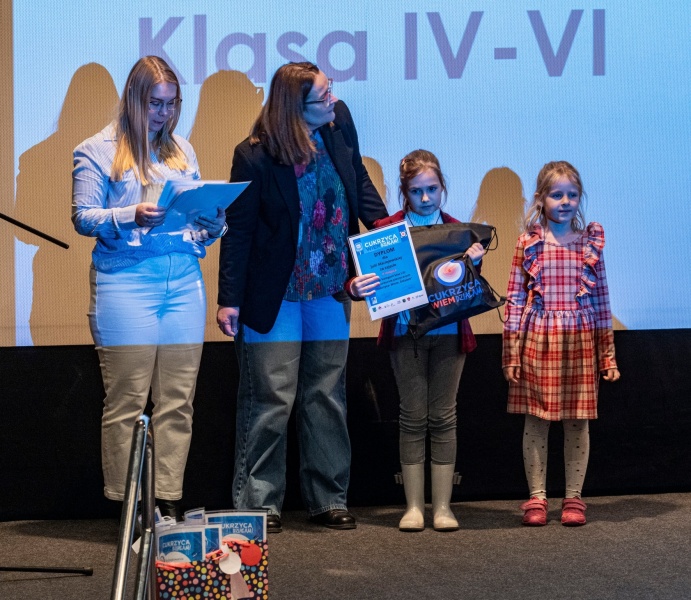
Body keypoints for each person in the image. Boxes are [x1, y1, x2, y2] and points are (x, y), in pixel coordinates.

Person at [216, 62, 387, 533]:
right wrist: (229, 299)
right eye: (323, 96)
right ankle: (259, 503)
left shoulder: (338, 124)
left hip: (330, 288)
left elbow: (358, 180)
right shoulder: (254, 155)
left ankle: (328, 497)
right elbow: (238, 231)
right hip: (276, 295)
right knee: (270, 399)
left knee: (325, 395)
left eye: (330, 92)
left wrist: (386, 230)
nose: (333, 100)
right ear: (295, 107)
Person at [72, 56, 226, 519]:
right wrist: (130, 214)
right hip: (126, 283)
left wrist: (213, 223)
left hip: (183, 281)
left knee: (177, 401)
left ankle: (167, 500)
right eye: (155, 103)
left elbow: (196, 223)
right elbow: (83, 216)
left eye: (172, 103)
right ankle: (130, 508)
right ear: (134, 99)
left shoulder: (182, 150)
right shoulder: (96, 149)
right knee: (127, 400)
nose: (164, 113)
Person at [349, 150, 485, 532]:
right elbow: (361, 277)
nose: (425, 198)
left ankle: (442, 507)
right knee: (412, 416)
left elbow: (468, 287)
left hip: (448, 334)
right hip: (405, 333)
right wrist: (355, 286)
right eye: (416, 191)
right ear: (403, 192)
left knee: (443, 416)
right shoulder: (386, 231)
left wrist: (475, 261)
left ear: (443, 188)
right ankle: (413, 507)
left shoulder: (461, 231)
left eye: (432, 189)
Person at [502, 160, 620, 527]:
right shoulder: (529, 243)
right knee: (536, 420)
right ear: (541, 198)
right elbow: (514, 300)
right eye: (557, 195)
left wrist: (607, 355)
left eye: (572, 195)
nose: (565, 202)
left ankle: (573, 497)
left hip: (579, 342)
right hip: (538, 340)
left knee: (577, 422)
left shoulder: (589, 244)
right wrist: (511, 353)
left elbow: (601, 301)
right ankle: (537, 497)